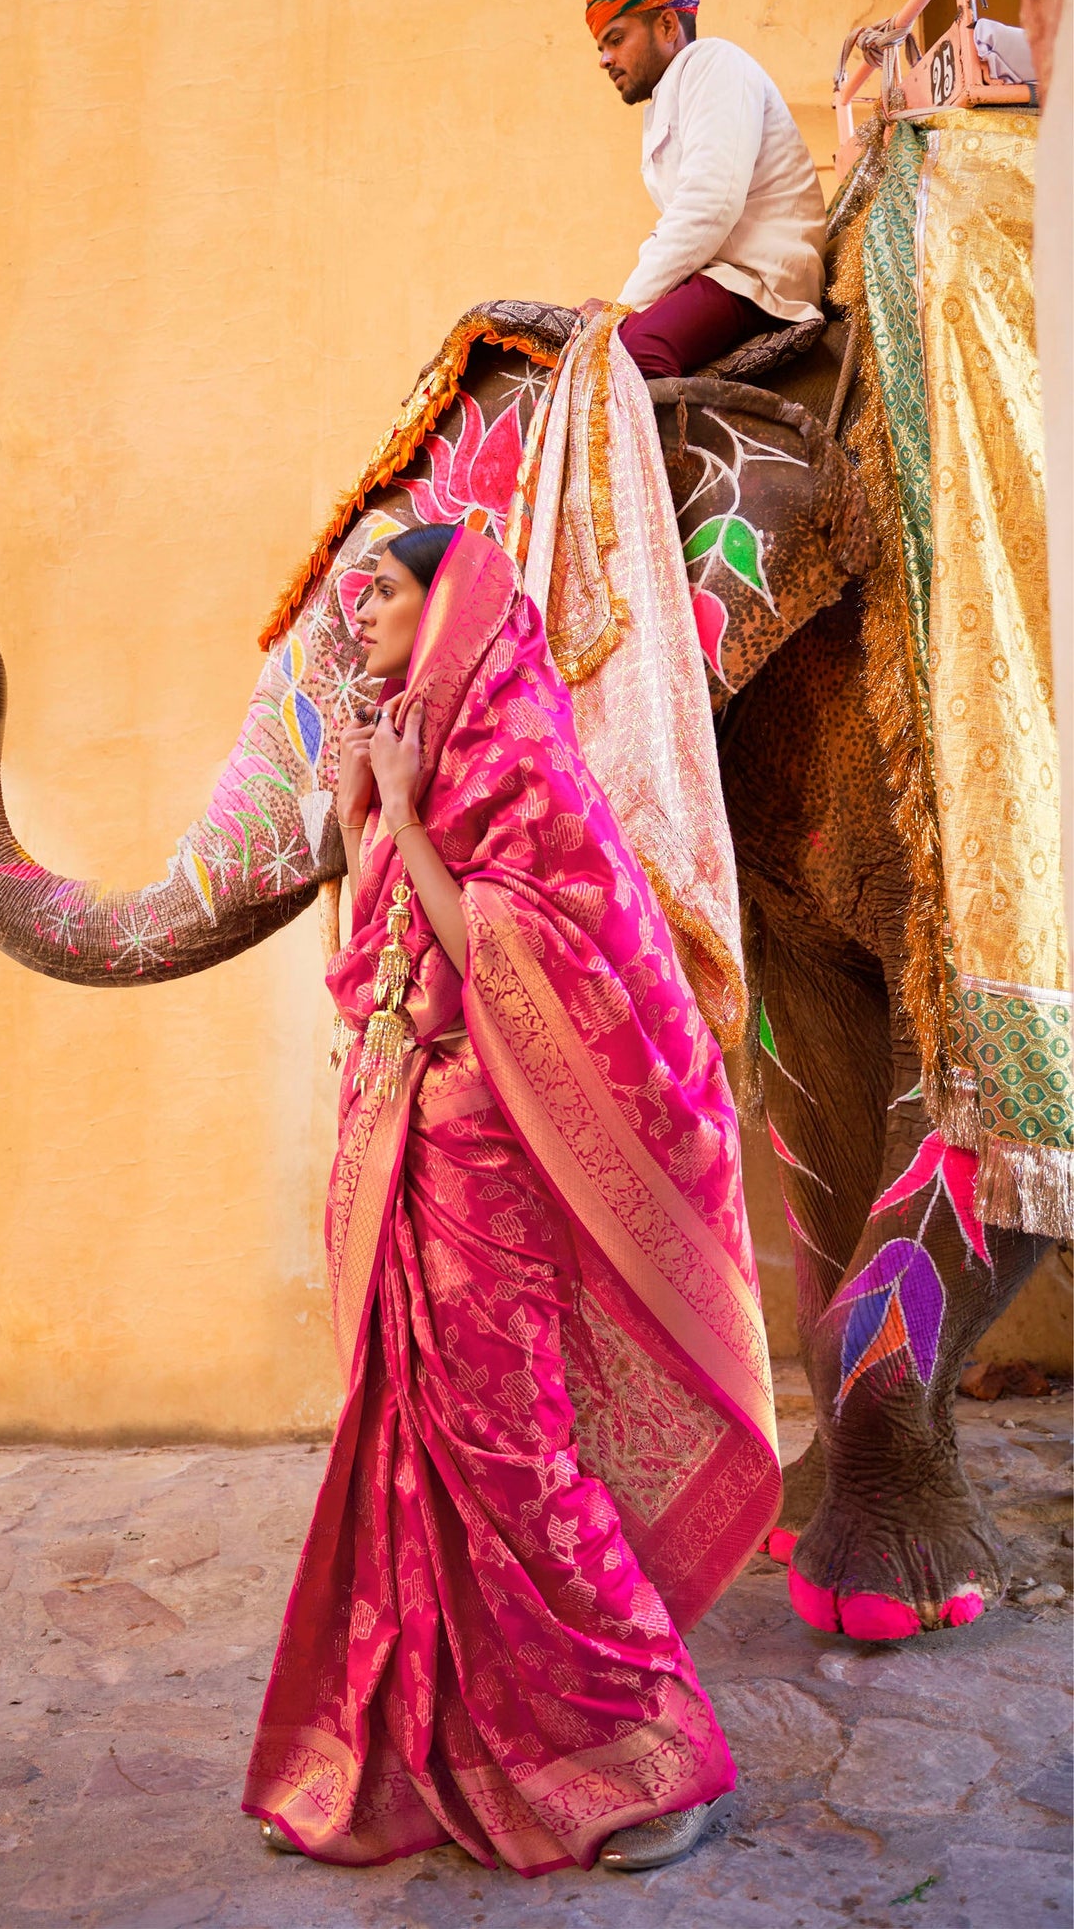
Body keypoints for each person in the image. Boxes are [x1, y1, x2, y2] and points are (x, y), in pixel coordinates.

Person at [242, 521, 780, 1874]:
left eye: (388, 591)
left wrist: (406, 820)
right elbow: (372, 961)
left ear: (453, 614)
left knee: (517, 1460)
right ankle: (409, 1758)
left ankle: (661, 1758)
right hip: (410, 1158)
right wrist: (373, 816)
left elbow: (506, 959)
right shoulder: (412, 752)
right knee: (406, 1464)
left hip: (493, 1171)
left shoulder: (526, 769)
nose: (361, 609)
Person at [587, 0, 826, 378]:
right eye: (602, 47)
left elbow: (710, 204)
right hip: (722, 276)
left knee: (635, 354)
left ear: (666, 25)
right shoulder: (669, 96)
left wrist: (622, 308)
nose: (605, 59)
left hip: (758, 278)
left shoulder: (714, 63)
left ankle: (687, 447)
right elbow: (679, 220)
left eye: (616, 38)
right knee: (605, 348)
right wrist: (623, 307)